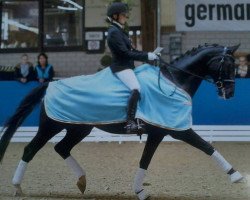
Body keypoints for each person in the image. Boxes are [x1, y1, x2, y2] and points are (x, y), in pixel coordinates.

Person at [106, 2, 159, 134]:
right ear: (115, 16)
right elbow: (124, 53)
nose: (126, 17)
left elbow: (132, 50)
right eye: (124, 15)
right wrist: (147, 56)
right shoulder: (113, 32)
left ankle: (141, 117)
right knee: (136, 87)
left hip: (128, 66)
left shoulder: (120, 31)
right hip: (121, 67)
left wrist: (150, 54)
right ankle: (129, 122)